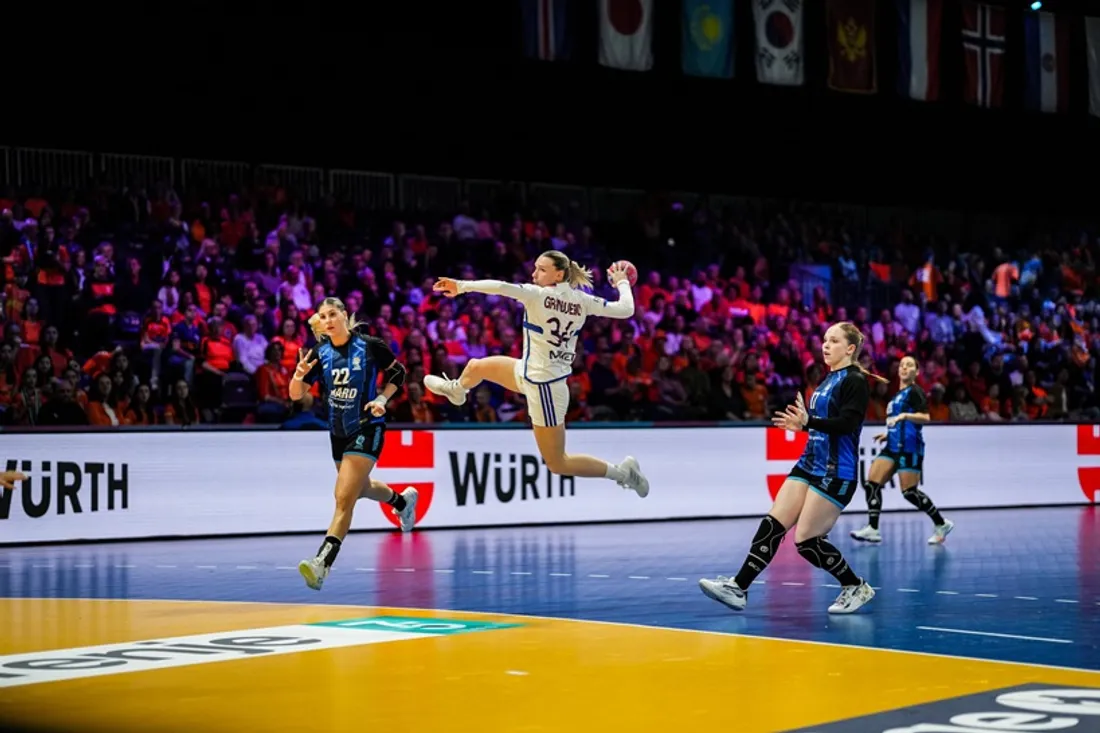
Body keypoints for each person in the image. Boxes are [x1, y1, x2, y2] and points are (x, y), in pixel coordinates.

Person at [425, 252, 650, 498]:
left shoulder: (538, 295)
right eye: (535, 268)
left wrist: (462, 286)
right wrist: (622, 282)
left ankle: (623, 474)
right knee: (476, 367)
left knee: (557, 463)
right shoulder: (582, 300)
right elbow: (626, 309)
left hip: (546, 388)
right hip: (529, 371)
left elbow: (500, 287)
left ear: (559, 274)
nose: (534, 274)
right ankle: (457, 391)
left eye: (541, 270)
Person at [699, 322, 880, 615]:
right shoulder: (827, 379)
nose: (825, 345)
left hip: (836, 472)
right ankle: (739, 588)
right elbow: (820, 425)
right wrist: (803, 426)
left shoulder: (855, 380)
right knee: (773, 522)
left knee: (806, 541)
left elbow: (848, 424)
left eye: (833, 341)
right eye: (824, 339)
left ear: (850, 348)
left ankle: (855, 585)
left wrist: (808, 423)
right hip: (809, 464)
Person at [290, 296, 417, 591]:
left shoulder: (370, 346)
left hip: (367, 426)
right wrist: (298, 376)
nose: (328, 320)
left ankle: (322, 562)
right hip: (337, 432)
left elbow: (398, 372)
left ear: (345, 316)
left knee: (343, 498)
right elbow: (296, 395)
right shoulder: (318, 353)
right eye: (322, 316)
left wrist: (382, 399)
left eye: (333, 314)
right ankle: (402, 501)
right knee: (360, 489)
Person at [851, 355, 953, 545]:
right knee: (872, 483)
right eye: (902, 365)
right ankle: (873, 529)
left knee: (909, 492)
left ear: (917, 371)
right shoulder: (896, 395)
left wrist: (905, 415)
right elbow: (895, 422)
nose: (904, 368)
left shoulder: (915, 392)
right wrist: (887, 434)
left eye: (909, 365)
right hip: (892, 445)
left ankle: (941, 523)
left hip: (910, 446)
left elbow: (925, 417)